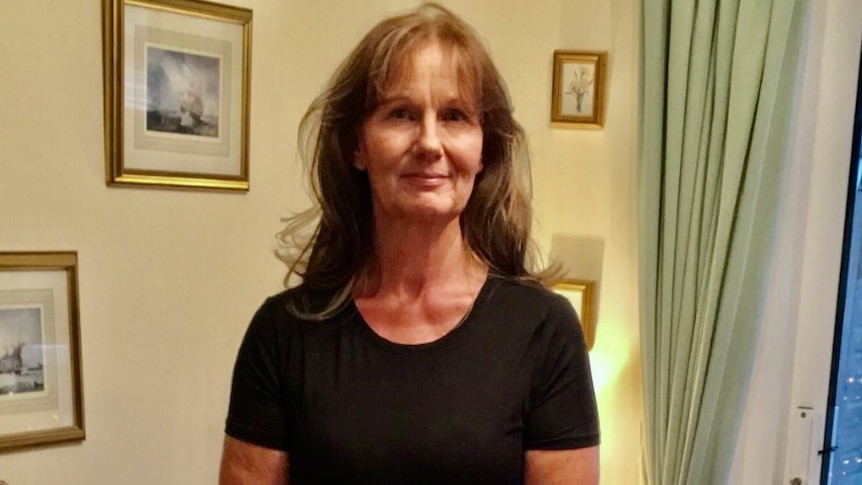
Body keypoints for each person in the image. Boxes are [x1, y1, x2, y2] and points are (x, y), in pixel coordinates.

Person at [219, 3, 599, 483]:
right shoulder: (283, 335)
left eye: (455, 116)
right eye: (401, 114)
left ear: (484, 150)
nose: (429, 142)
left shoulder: (545, 333)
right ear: (357, 145)